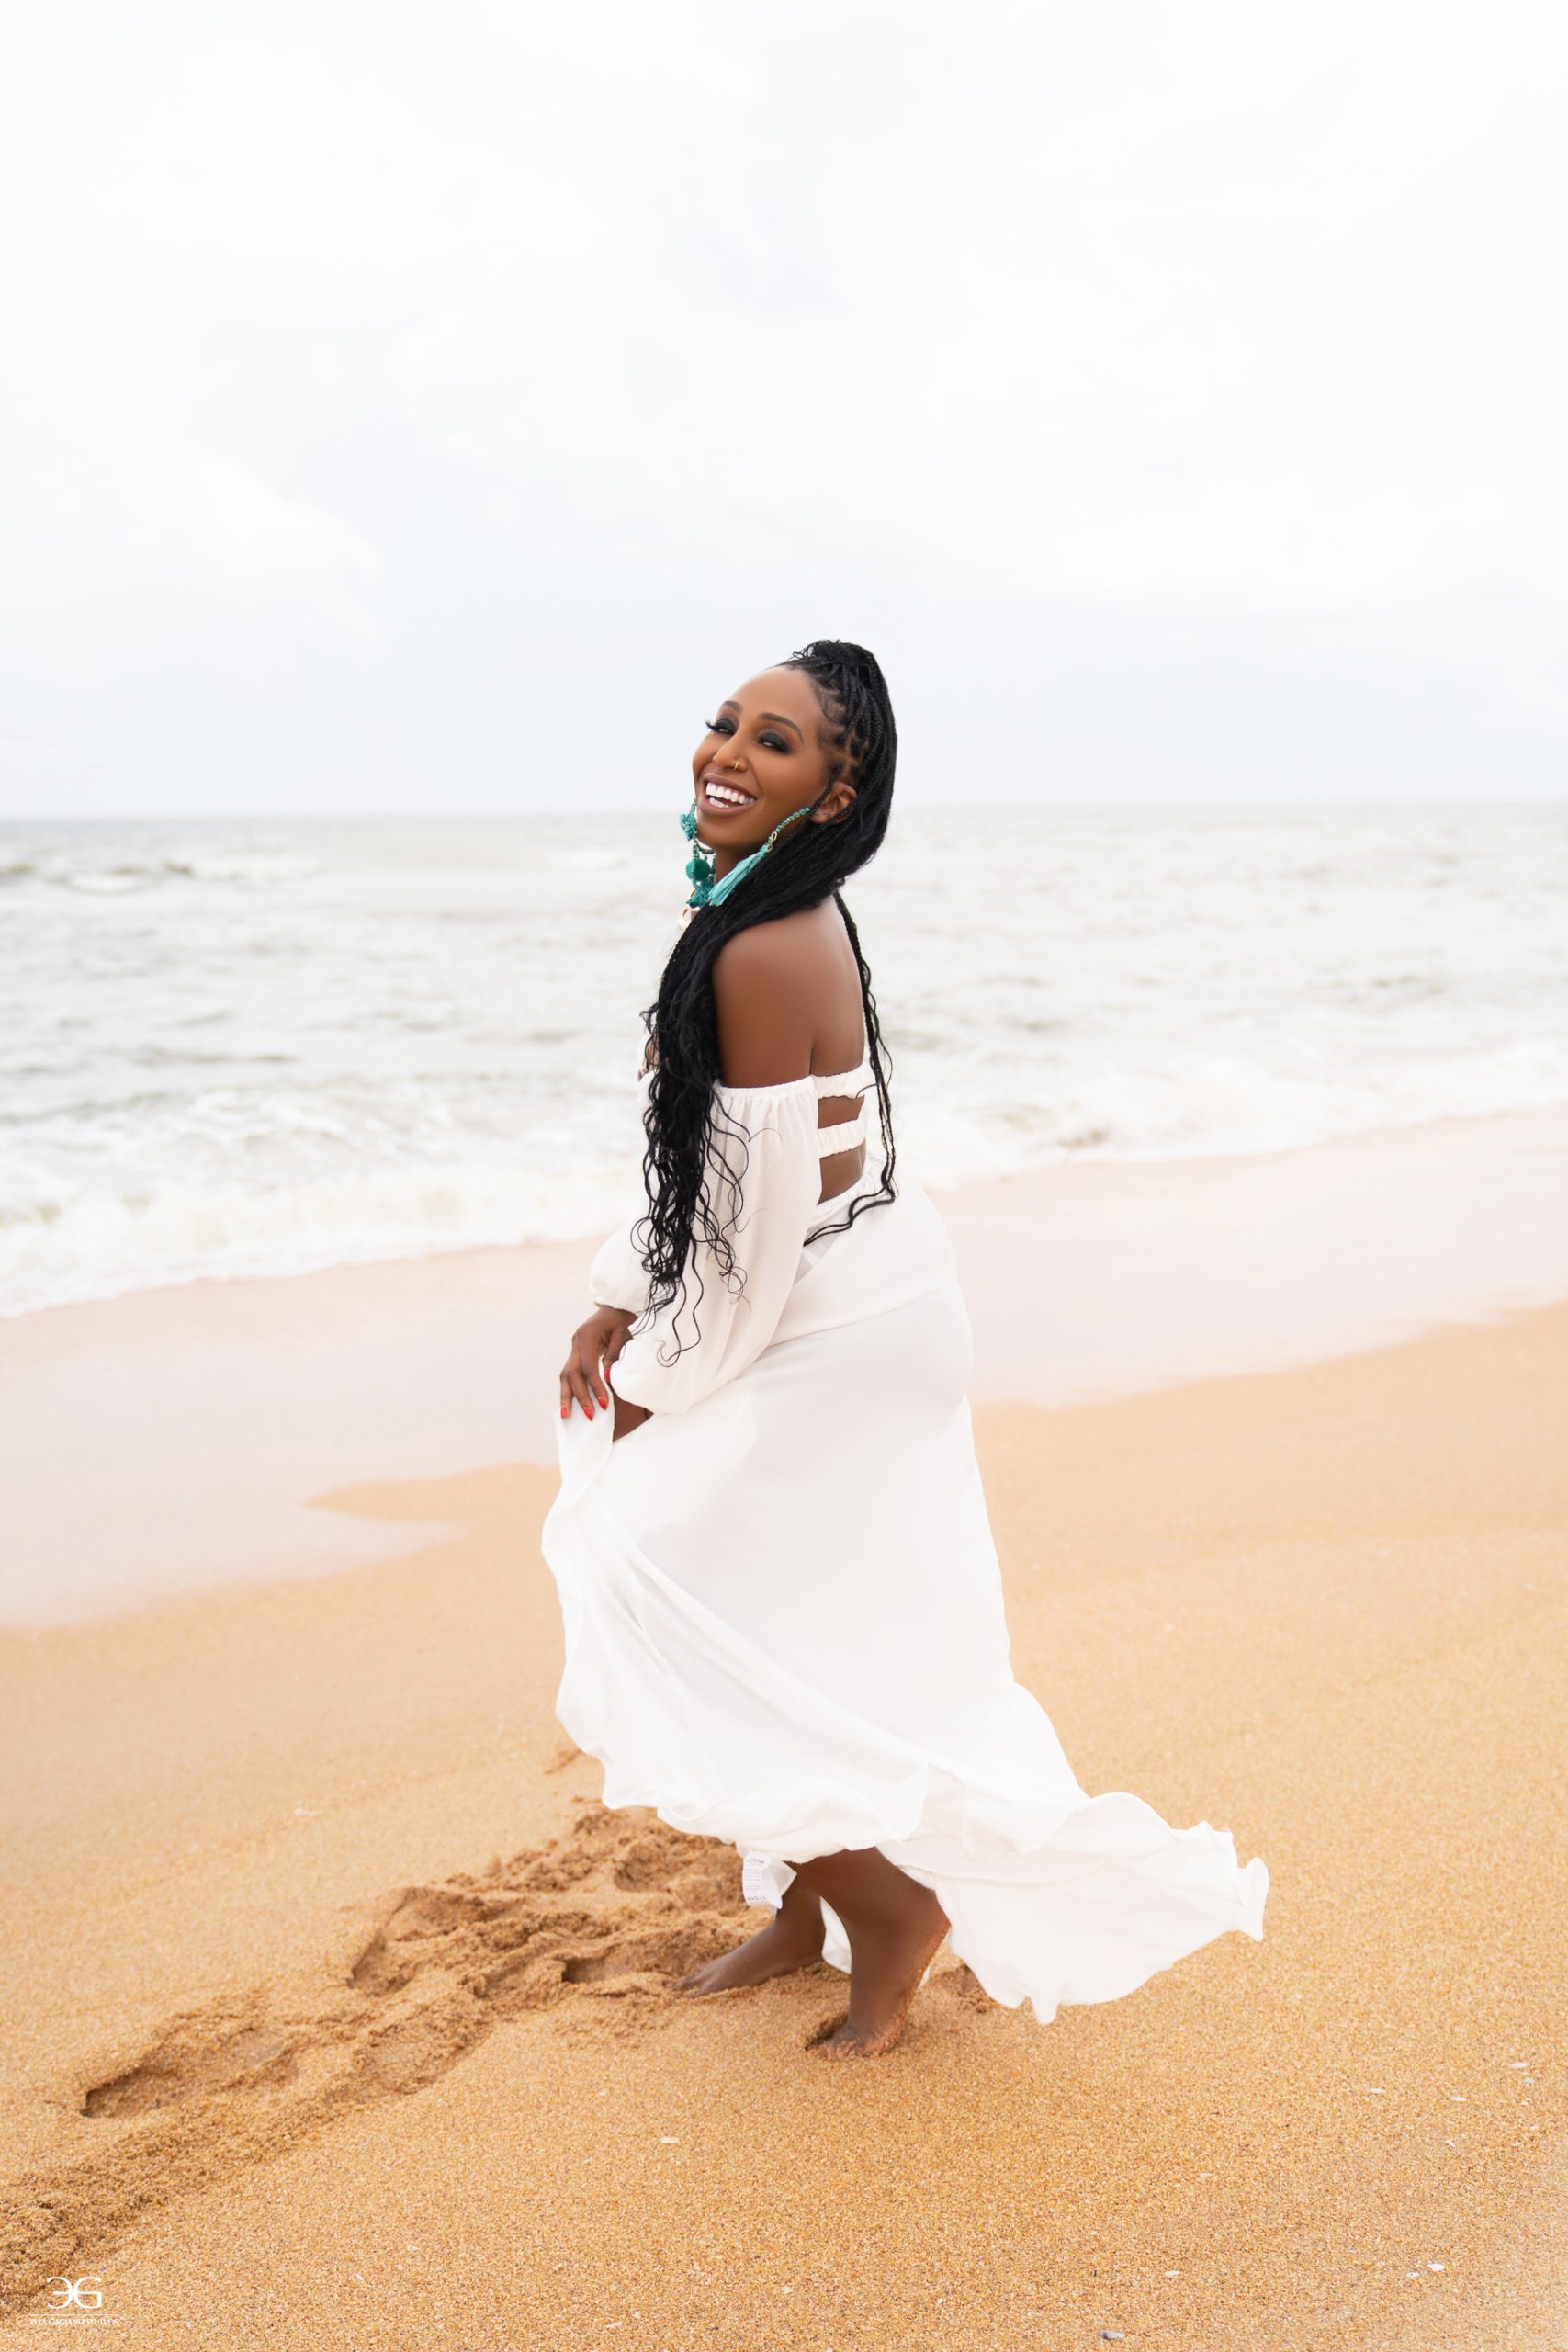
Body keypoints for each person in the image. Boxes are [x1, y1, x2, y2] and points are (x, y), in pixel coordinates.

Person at [542, 639, 1269, 2060]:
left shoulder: (765, 944)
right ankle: (808, 1908)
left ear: (837, 783)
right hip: (857, 1290)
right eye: (723, 727)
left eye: (775, 742)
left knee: (666, 1582)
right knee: (788, 1618)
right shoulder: (771, 913)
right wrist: (618, 1292)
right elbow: (719, 1177)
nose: (727, 757)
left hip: (835, 1329)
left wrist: (650, 1384)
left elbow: (752, 1240)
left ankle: (888, 1915)